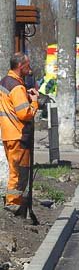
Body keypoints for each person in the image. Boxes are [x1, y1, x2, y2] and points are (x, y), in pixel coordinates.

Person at [0, 53, 39, 211]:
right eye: (27, 66)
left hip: (8, 133)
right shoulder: (16, 86)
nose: (29, 69)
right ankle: (13, 203)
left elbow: (11, 106)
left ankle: (12, 202)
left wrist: (26, 97)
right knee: (19, 173)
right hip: (19, 134)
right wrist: (34, 102)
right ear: (20, 66)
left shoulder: (4, 82)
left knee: (14, 170)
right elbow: (24, 114)